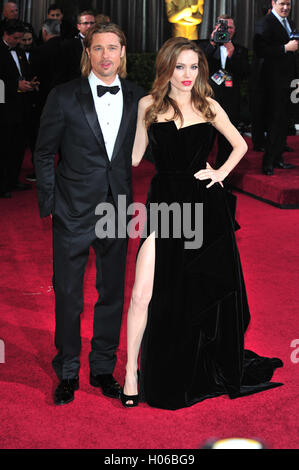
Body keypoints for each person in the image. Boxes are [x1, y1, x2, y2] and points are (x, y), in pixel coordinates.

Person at [121, 36, 283, 409]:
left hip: (202, 208)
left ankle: (189, 365)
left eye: (194, 67)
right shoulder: (148, 105)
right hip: (164, 207)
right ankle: (131, 372)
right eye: (180, 67)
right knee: (142, 293)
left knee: (192, 293)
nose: (187, 74)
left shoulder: (208, 105)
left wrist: (220, 172)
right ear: (166, 68)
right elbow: (133, 158)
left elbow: (240, 145)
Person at [34, 22, 144, 406]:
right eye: (98, 48)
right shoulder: (64, 96)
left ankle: (101, 368)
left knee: (112, 293)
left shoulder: (137, 97)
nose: (105, 56)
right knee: (68, 294)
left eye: (112, 48)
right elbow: (45, 152)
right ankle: (67, 370)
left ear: (123, 53)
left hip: (117, 208)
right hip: (73, 210)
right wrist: (50, 205)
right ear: (88, 53)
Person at [198, 15, 250, 169]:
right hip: (206, 101)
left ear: (235, 30)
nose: (227, 30)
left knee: (226, 145)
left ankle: (222, 182)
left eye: (230, 27)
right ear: (215, 28)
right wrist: (213, 43)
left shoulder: (240, 50)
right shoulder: (203, 46)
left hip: (230, 104)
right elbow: (199, 64)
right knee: (202, 142)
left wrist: (232, 53)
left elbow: (245, 73)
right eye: (223, 27)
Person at [253, 0, 297, 175]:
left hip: (289, 82)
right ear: (274, 3)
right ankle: (268, 162)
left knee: (284, 121)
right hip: (272, 83)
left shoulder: (291, 23)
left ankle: (279, 158)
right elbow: (260, 50)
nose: (285, 7)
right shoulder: (264, 23)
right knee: (274, 121)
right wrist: (284, 48)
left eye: (288, 4)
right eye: (282, 4)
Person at [0, 19, 35, 198]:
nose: (19, 41)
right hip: (4, 110)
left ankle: (13, 180)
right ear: (5, 34)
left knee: (18, 148)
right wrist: (16, 86)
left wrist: (29, 84)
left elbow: (24, 74)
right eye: (15, 38)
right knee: (4, 148)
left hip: (21, 109)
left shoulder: (20, 51)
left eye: (21, 38)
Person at [62, 10, 96, 81]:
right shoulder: (68, 45)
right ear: (78, 26)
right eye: (85, 23)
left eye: (92, 23)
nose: (89, 26)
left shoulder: (102, 42)